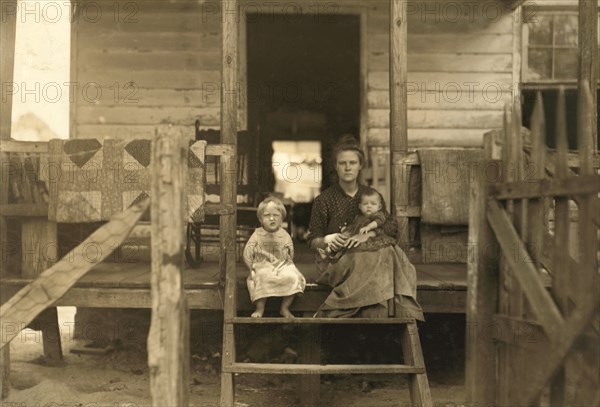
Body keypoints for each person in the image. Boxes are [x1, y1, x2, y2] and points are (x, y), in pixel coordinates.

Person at [308, 135, 423, 320]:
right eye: (342, 163)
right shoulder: (324, 200)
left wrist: (369, 234)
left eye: (352, 163)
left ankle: (381, 313)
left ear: (360, 165)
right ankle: (379, 313)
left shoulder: (370, 196)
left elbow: (390, 226)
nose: (347, 167)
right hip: (338, 259)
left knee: (390, 252)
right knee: (380, 256)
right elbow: (313, 241)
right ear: (335, 166)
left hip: (369, 255)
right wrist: (329, 239)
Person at [244, 196, 306, 318]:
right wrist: (250, 268)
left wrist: (286, 265)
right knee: (262, 277)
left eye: (276, 215)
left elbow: (290, 253)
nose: (272, 218)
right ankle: (260, 309)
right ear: (260, 219)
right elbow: (247, 252)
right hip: (263, 265)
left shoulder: (285, 235)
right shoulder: (257, 234)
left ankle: (284, 308)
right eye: (267, 215)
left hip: (282, 264)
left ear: (282, 218)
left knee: (292, 277)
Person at [319, 186, 395, 261]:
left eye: (373, 204)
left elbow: (379, 221)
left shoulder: (378, 215)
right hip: (353, 233)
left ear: (379, 207)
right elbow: (354, 225)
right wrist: (346, 229)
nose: (369, 206)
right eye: (365, 204)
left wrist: (369, 227)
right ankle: (328, 251)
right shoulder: (359, 217)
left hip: (368, 237)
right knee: (342, 239)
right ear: (360, 206)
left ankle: (331, 252)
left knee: (348, 245)